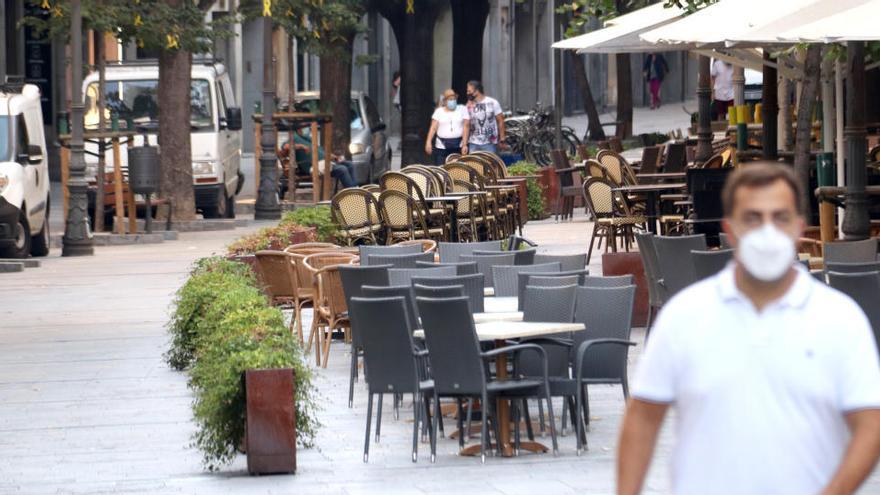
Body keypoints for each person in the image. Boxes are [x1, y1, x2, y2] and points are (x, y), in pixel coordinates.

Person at [616, 163, 880, 495]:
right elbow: (643, 417)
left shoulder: (839, 319)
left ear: (798, 227)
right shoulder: (686, 316)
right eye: (753, 218)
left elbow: (870, 424)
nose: (767, 230)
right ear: (730, 228)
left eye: (780, 217)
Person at [278, 126, 357, 189]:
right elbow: (285, 147)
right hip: (314, 165)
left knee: (349, 164)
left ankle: (354, 189)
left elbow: (321, 152)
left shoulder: (309, 139)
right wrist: (301, 146)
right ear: (299, 129)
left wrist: (334, 157)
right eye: (304, 127)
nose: (307, 129)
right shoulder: (294, 138)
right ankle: (352, 194)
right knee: (342, 169)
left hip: (326, 161)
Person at [425, 88, 470, 165]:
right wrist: (428, 142)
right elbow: (433, 128)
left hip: (458, 144)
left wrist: (465, 144)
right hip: (442, 144)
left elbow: (466, 127)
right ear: (445, 101)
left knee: (458, 169)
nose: (452, 101)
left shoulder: (462, 109)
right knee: (441, 168)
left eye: (454, 99)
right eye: (450, 99)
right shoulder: (439, 111)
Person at [465, 80, 505, 154]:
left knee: (489, 164)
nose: (467, 93)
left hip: (490, 142)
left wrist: (502, 138)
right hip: (473, 143)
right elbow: (466, 125)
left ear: (476, 91)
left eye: (469, 91)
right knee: (474, 164)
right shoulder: (469, 105)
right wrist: (464, 144)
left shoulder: (492, 102)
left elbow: (500, 120)